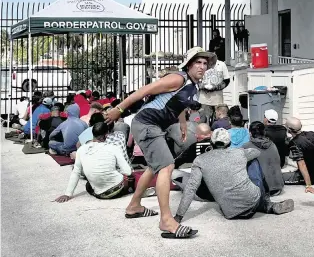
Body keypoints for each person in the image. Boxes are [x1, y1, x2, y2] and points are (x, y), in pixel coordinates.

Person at [105, 46, 216, 239]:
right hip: (146, 123)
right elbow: (144, 90)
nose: (202, 66)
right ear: (188, 65)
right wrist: (119, 109)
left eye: (205, 63)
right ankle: (166, 220)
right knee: (166, 166)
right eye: (198, 62)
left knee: (154, 166)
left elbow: (179, 102)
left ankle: (134, 206)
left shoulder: (193, 85)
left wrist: (182, 123)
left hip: (154, 125)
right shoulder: (178, 78)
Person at [174, 128, 294, 223]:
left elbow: (191, 188)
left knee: (181, 178)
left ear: (211, 142)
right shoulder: (239, 153)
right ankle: (267, 204)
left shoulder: (200, 160)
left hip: (231, 212)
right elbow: (256, 152)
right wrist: (239, 153)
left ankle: (266, 206)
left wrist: (178, 216)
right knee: (253, 161)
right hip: (253, 200)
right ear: (229, 143)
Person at [55, 122, 133, 202]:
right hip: (117, 190)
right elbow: (128, 171)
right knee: (130, 178)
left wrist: (67, 194)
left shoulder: (81, 149)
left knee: (88, 185)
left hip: (100, 194)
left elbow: (76, 172)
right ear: (106, 135)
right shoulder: (113, 148)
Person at [283, 117, 314, 194]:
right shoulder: (311, 134)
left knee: (277, 179)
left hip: (311, 177)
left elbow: (302, 165)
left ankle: (307, 182)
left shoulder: (294, 143)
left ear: (289, 129)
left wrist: (308, 186)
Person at [243, 122, 284, 196]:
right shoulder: (273, 145)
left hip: (262, 190)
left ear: (250, 133)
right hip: (278, 187)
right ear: (264, 132)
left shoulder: (246, 146)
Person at [198, 55, 230, 124]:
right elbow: (197, 79)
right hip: (204, 96)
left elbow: (227, 80)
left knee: (219, 116)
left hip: (217, 96)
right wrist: (201, 86)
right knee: (204, 117)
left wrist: (219, 86)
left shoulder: (221, 64)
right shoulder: (203, 64)